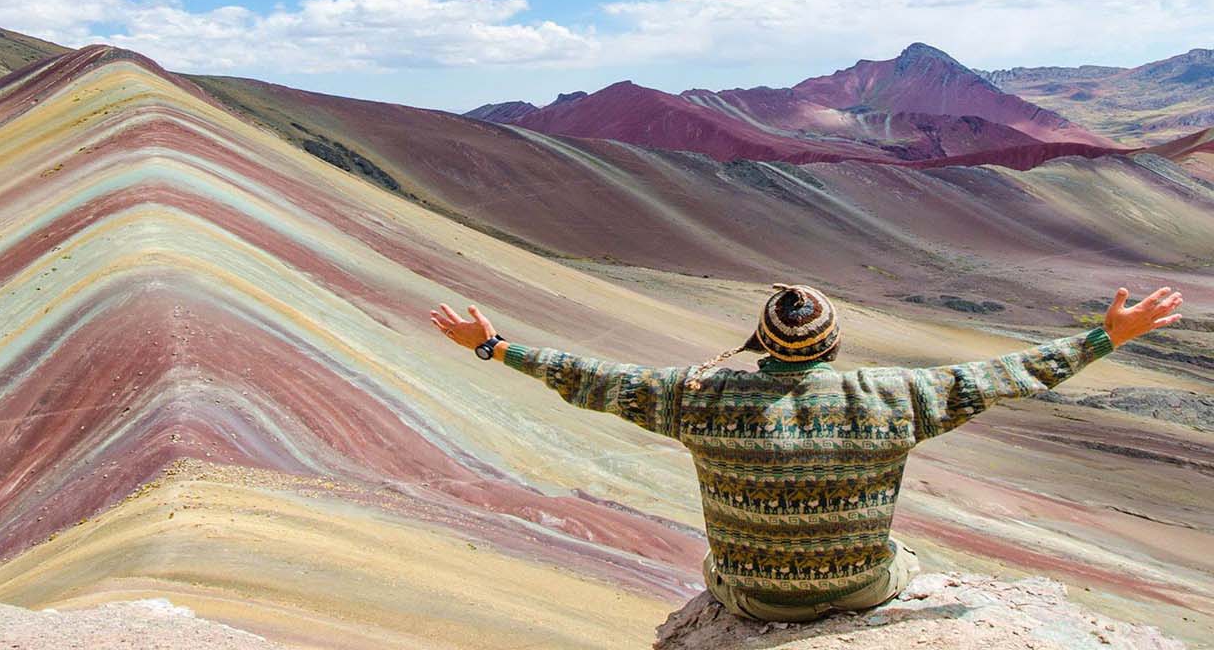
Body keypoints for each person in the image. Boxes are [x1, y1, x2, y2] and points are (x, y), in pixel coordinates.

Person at [430, 284, 1186, 623]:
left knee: (712, 566)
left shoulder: (700, 398)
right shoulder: (895, 398)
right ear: (833, 344)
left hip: (750, 599)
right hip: (862, 590)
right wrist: (1106, 336)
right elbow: (1006, 376)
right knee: (906, 555)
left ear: (760, 342)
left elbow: (593, 378)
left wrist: (493, 346)